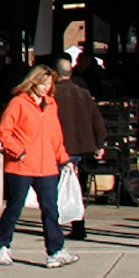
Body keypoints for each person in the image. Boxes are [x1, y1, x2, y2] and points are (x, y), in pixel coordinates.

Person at [0, 64, 77, 269]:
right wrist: (18, 152)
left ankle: (55, 250)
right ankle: (3, 246)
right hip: (21, 166)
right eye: (43, 83)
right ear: (33, 82)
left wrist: (63, 158)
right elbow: (4, 131)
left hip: (47, 166)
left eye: (49, 84)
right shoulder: (18, 103)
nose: (47, 88)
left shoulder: (51, 104)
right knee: (14, 207)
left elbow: (55, 136)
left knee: (51, 209)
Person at [51, 57, 106, 242]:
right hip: (80, 148)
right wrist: (99, 143)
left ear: (55, 73)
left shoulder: (52, 95)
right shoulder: (83, 94)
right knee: (75, 189)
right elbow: (97, 121)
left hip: (58, 147)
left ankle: (54, 226)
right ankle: (78, 226)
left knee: (54, 189)